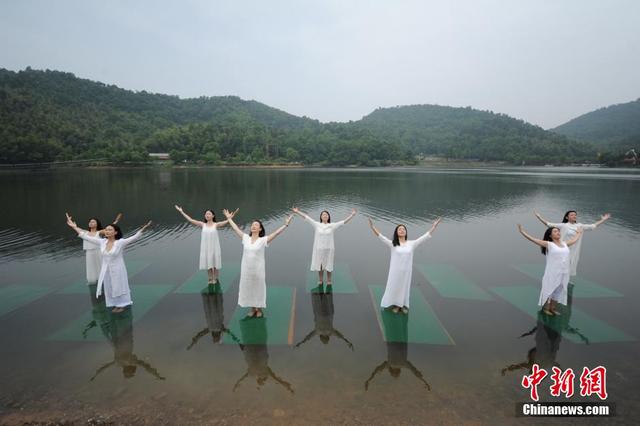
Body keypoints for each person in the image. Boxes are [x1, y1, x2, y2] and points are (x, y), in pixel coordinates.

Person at [66, 215, 152, 313]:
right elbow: (85, 236)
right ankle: (114, 304)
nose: (107, 231)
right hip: (106, 269)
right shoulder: (102, 242)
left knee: (118, 286)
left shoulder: (120, 243)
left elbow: (134, 237)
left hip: (118, 269)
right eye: (106, 230)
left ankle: (122, 304)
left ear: (115, 232)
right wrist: (73, 226)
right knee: (109, 286)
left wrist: (144, 228)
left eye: (110, 230)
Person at [223, 209, 293, 318]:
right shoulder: (245, 238)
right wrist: (229, 219)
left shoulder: (263, 240)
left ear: (260, 229)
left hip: (258, 269)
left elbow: (276, 233)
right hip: (246, 269)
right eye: (252, 225)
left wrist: (286, 225)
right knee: (248, 287)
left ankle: (259, 308)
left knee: (258, 288)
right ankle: (252, 308)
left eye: (256, 225)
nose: (254, 226)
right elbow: (236, 228)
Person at [368, 217, 442, 314]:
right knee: (394, 286)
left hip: (406, 271)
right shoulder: (393, 244)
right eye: (400, 229)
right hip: (395, 272)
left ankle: (402, 305)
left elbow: (425, 237)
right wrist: (372, 227)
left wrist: (434, 226)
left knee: (404, 287)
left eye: (403, 229)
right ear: (397, 232)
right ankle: (395, 304)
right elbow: (381, 237)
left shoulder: (412, 244)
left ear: (406, 232)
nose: (402, 230)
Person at [517, 224, 582, 316]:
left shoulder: (564, 243)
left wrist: (578, 233)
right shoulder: (549, 244)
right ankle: (546, 308)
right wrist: (522, 232)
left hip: (564, 272)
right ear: (550, 235)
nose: (558, 232)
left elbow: (574, 240)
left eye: (558, 231)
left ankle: (553, 308)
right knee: (550, 289)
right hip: (553, 272)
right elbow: (533, 240)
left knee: (559, 289)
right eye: (555, 231)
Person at [534, 210, 610, 278]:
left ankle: (565, 280)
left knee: (569, 265)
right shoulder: (564, 225)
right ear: (567, 217)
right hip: (563, 249)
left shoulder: (580, 226)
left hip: (574, 250)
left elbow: (593, 226)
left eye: (575, 215)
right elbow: (548, 224)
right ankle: (554, 277)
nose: (574, 216)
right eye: (572, 215)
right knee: (560, 264)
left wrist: (603, 220)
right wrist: (539, 217)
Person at [291, 207, 356, 286]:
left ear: (328, 217)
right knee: (320, 265)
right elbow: (307, 218)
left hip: (329, 249)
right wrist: (297, 212)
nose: (325, 216)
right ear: (321, 217)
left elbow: (343, 222)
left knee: (329, 265)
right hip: (319, 249)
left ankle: (329, 280)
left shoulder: (332, 225)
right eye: (323, 215)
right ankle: (320, 280)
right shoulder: (317, 224)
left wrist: (352, 215)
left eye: (326, 215)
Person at [174, 206, 237, 284]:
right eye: (206, 214)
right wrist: (181, 211)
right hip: (206, 248)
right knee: (208, 264)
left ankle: (216, 278)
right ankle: (210, 278)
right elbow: (190, 220)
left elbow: (227, 222)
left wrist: (229, 218)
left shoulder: (216, 224)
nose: (207, 215)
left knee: (215, 264)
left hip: (214, 247)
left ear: (213, 216)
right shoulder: (202, 224)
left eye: (209, 214)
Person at [65, 212, 122, 284]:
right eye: (90, 222)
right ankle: (93, 282)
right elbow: (76, 228)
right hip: (89, 253)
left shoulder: (99, 232)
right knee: (91, 269)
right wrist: (71, 224)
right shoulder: (84, 232)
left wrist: (115, 222)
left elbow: (109, 230)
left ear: (97, 224)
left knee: (101, 266)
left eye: (93, 222)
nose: (91, 223)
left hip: (98, 252)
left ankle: (106, 280)